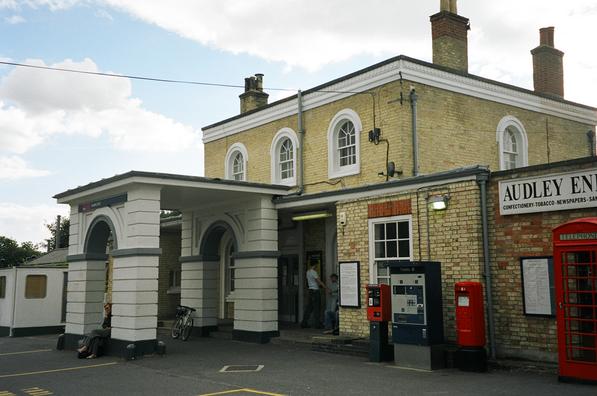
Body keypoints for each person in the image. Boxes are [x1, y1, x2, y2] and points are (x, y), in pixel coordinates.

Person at [301, 263, 329, 329]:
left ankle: (304, 323)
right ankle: (317, 324)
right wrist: (326, 288)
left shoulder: (307, 272)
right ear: (315, 265)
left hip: (310, 291)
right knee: (317, 307)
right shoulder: (314, 272)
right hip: (315, 291)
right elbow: (318, 281)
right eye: (316, 265)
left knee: (309, 308)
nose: (316, 266)